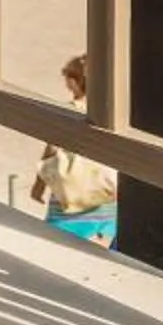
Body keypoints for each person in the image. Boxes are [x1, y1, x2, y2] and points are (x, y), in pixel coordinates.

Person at [31, 53, 118, 245]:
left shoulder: (70, 110)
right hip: (104, 196)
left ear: (73, 81)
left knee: (56, 243)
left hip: (71, 200)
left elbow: (52, 149)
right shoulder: (111, 112)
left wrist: (38, 186)